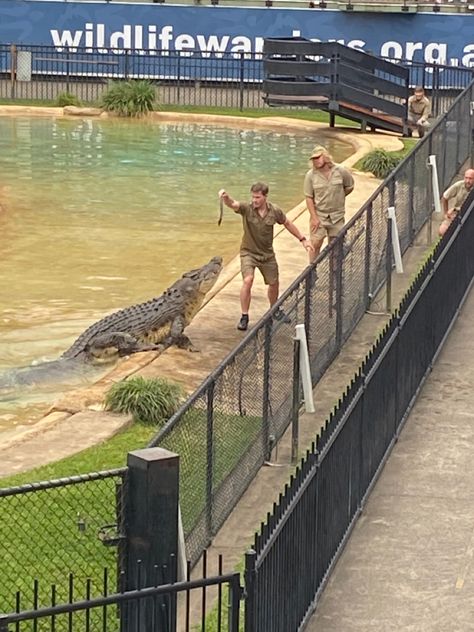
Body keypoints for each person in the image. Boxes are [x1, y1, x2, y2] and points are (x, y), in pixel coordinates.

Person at [219, 182, 314, 331]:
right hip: (248, 252)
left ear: (265, 197)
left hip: (267, 254)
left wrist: (303, 239)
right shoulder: (247, 209)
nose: (254, 200)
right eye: (253, 197)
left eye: (257, 197)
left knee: (274, 283)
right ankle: (244, 315)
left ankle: (274, 309)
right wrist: (226, 198)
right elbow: (233, 204)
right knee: (248, 280)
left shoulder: (274, 211)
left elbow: (287, 223)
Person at [303, 145, 354, 262]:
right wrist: (314, 217)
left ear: (325, 157)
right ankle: (312, 271)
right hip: (320, 214)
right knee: (315, 243)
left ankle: (335, 271)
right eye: (313, 159)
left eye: (318, 158)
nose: (315, 161)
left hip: (337, 215)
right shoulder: (310, 175)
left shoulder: (340, 171)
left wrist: (339, 196)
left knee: (336, 244)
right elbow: (309, 197)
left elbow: (349, 186)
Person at [438, 168, 474, 236]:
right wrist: (446, 213)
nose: (467, 181)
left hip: (471, 214)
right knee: (442, 230)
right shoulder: (459, 185)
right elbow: (445, 197)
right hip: (457, 213)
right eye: (466, 178)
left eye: (470, 178)